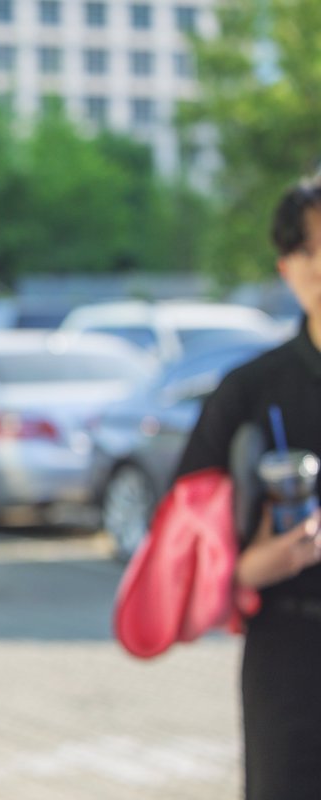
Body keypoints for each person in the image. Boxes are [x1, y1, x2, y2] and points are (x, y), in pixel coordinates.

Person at [173, 175, 321, 800]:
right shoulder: (249, 392)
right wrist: (250, 567)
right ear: (288, 267)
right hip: (290, 652)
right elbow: (177, 550)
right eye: (312, 247)